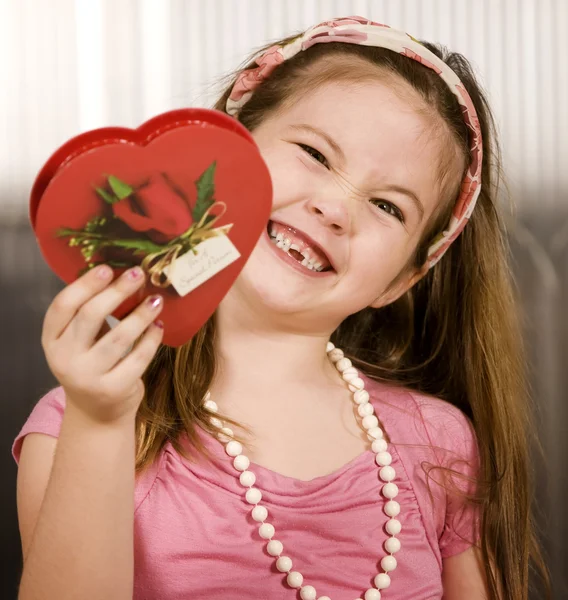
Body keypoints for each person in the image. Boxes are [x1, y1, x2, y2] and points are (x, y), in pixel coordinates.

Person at [12, 16, 547, 600]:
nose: (335, 208)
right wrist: (100, 421)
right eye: (316, 153)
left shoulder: (439, 442)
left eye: (388, 207)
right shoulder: (79, 424)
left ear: (403, 278)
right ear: (226, 148)